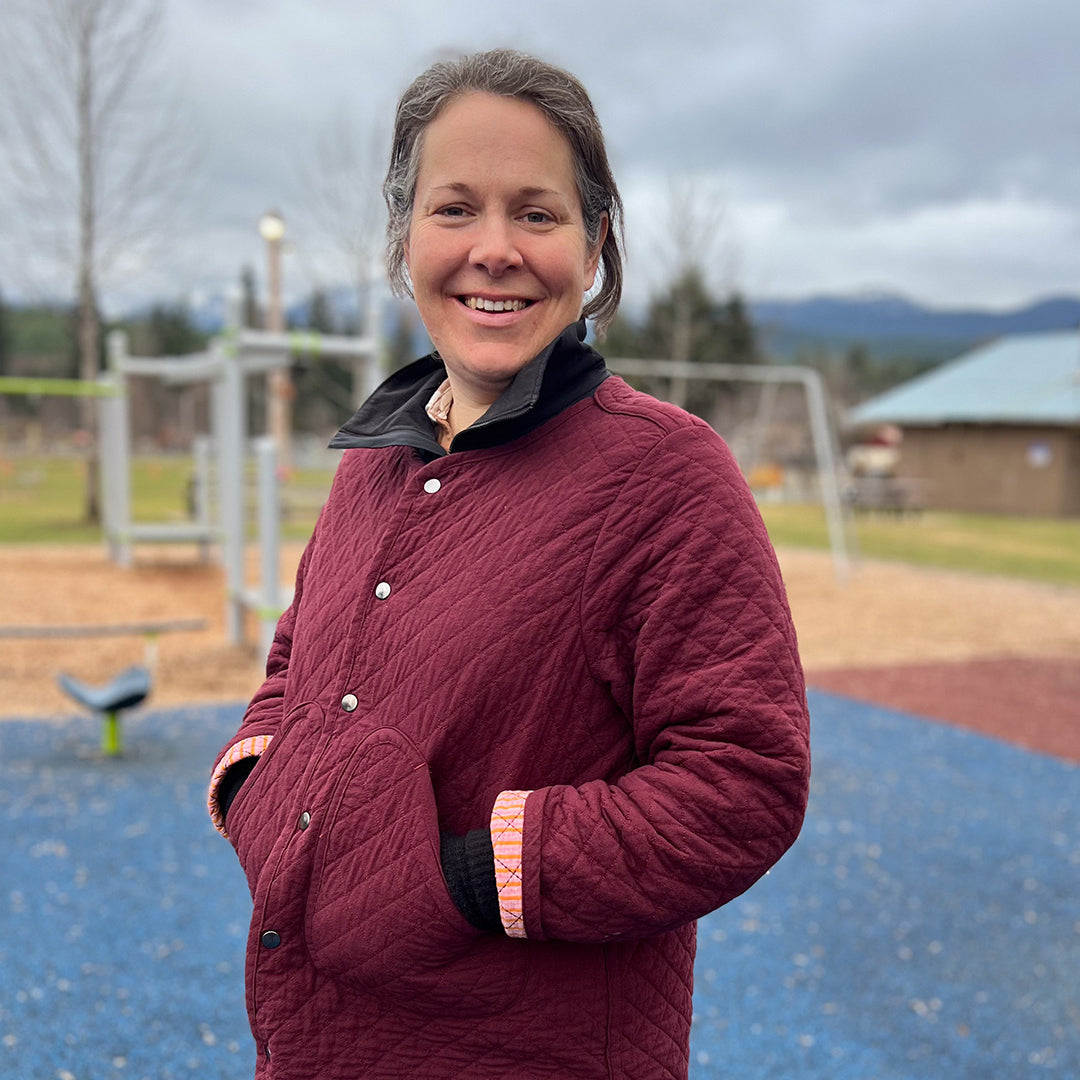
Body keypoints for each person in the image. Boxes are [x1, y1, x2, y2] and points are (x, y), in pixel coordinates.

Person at [208, 48, 810, 1080]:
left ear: (594, 242)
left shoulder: (665, 477)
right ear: (405, 236)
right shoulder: (377, 463)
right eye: (454, 209)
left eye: (536, 213)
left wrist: (470, 879)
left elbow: (744, 780)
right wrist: (256, 789)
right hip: (316, 1035)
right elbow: (295, 659)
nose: (494, 248)